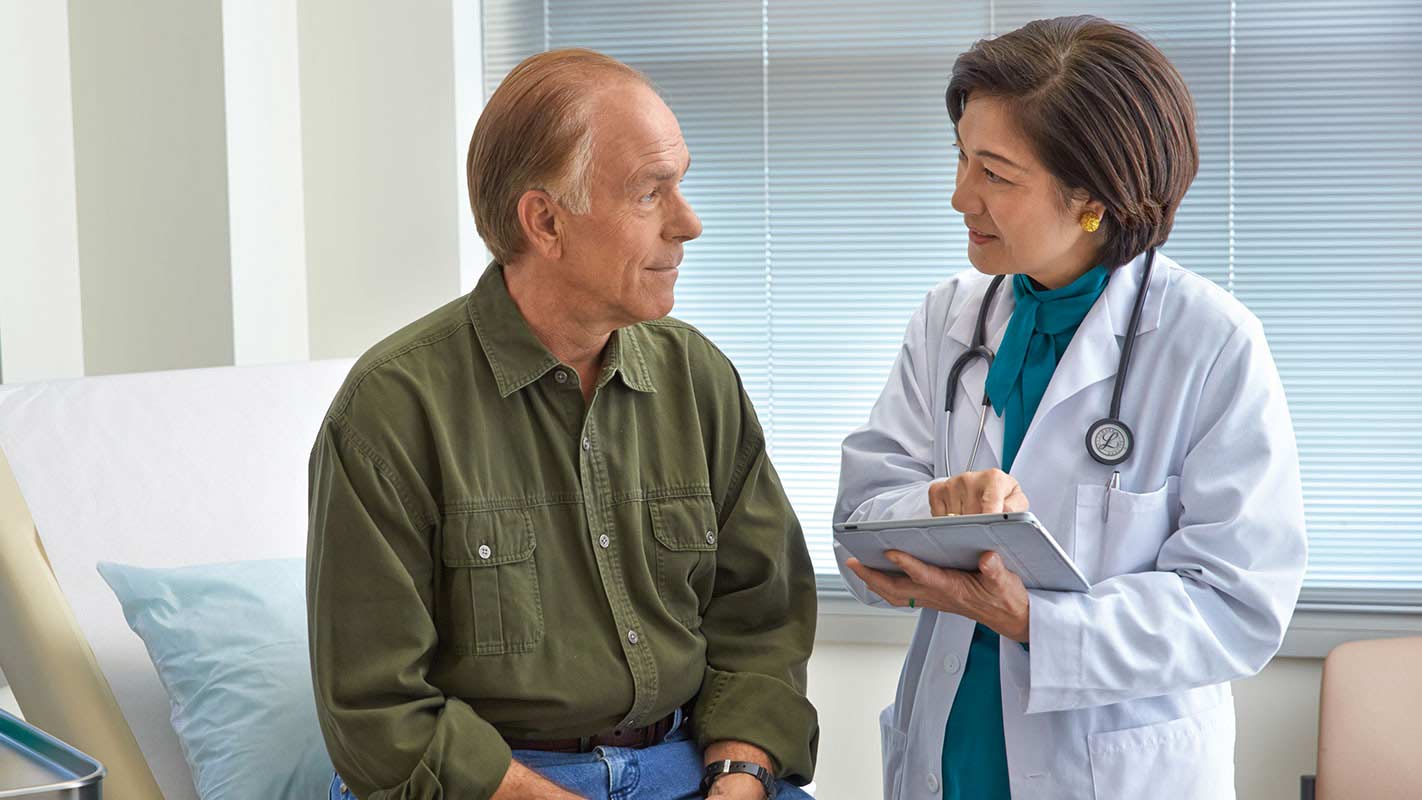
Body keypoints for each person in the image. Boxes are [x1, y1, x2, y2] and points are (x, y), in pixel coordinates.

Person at [308, 48, 818, 800]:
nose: (689, 223)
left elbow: (761, 622)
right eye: (650, 194)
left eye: (682, 185)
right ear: (545, 221)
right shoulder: (392, 411)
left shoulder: (698, 380)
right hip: (493, 785)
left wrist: (738, 779)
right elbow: (378, 713)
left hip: (690, 764)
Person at [834, 16, 1306, 800]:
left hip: (1111, 767)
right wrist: (934, 505)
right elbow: (860, 516)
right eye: (961, 156)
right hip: (951, 751)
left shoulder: (1209, 342)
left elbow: (1237, 603)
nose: (959, 196)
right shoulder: (948, 319)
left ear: (1092, 197)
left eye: (996, 173)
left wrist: (1034, 621)